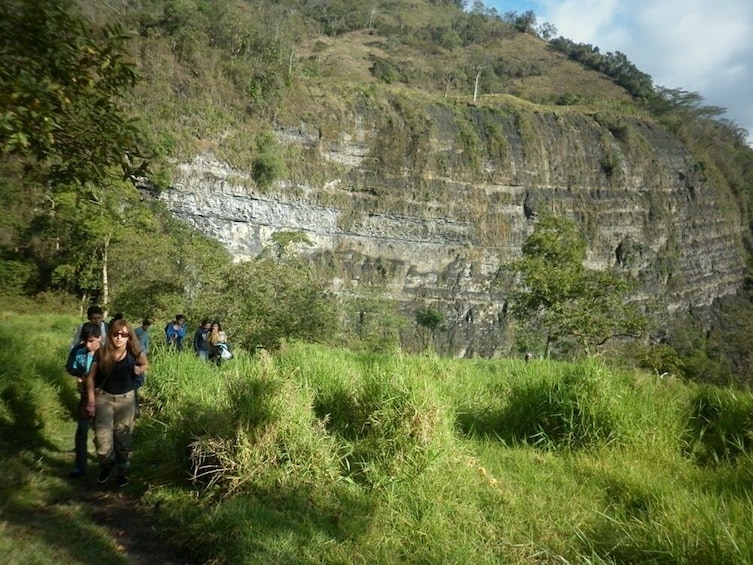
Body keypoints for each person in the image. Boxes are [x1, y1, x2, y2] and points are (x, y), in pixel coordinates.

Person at [85, 319, 148, 488]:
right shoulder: (102, 352)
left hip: (126, 400)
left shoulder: (135, 351)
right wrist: (91, 402)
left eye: (124, 334)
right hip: (103, 398)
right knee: (102, 441)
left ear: (129, 337)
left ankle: (121, 472)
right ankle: (106, 464)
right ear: (111, 335)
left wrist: (138, 369)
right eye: (116, 334)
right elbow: (90, 377)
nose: (119, 337)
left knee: (123, 439)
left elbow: (145, 364)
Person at [65, 322, 102, 478]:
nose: (88, 344)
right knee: (82, 430)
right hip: (85, 397)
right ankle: (80, 466)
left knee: (102, 432)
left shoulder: (107, 354)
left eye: (92, 341)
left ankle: (105, 463)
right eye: (86, 340)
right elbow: (72, 368)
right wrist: (80, 379)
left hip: (103, 397)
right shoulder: (78, 352)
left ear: (99, 338)